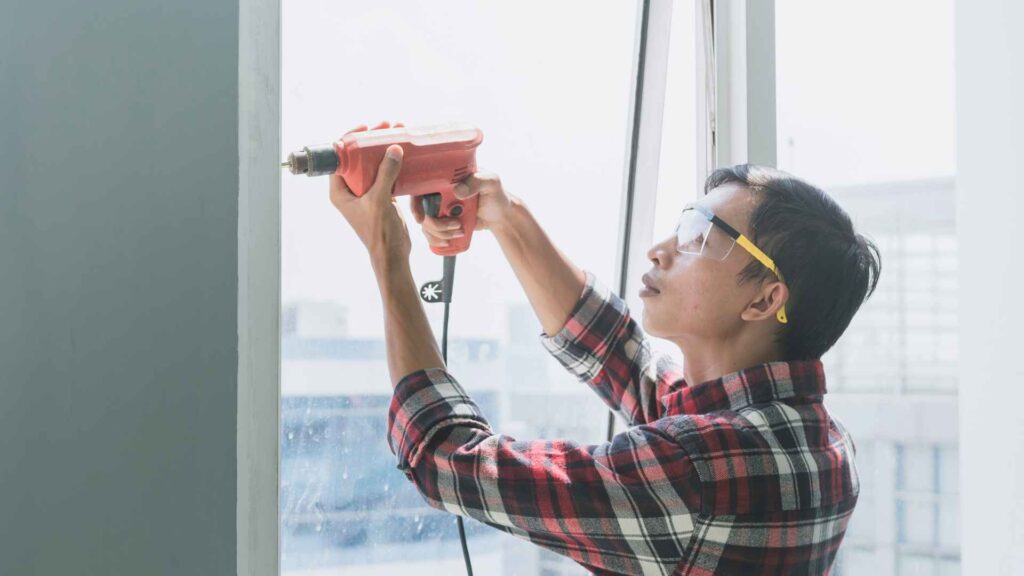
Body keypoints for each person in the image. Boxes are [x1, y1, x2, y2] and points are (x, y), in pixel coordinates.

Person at [330, 121, 880, 575]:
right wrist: (502, 213)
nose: (661, 250)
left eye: (700, 238)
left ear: (765, 300)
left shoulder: (696, 470)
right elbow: (624, 357)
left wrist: (388, 255)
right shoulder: (817, 438)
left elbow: (444, 457)